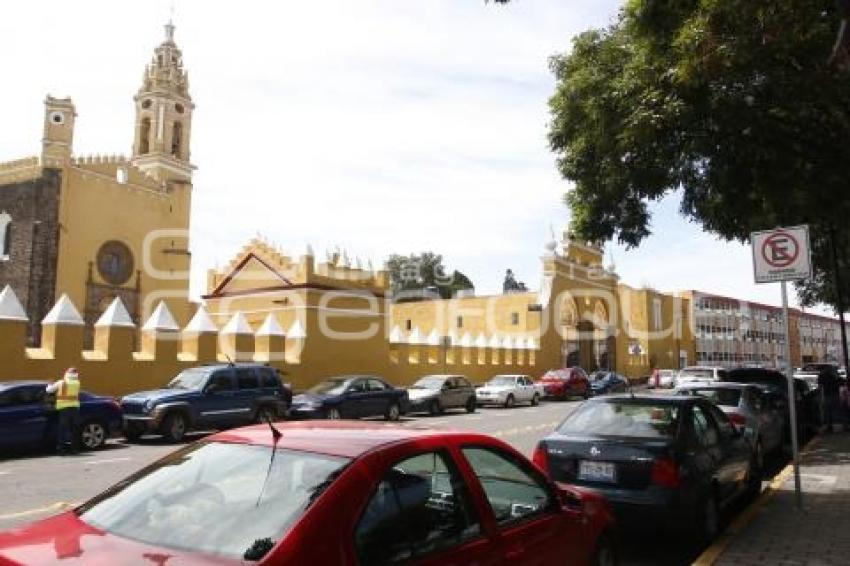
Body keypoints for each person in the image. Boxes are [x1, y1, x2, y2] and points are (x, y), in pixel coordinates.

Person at [46, 368, 81, 454]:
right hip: (74, 408)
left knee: (63, 430)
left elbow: (49, 390)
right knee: (73, 430)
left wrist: (49, 384)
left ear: (67, 374)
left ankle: (61, 449)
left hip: (64, 409)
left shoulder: (61, 382)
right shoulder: (77, 383)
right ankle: (74, 449)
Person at [817, 365, 842, 433]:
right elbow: (841, 382)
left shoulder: (822, 375)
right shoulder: (835, 374)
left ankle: (828, 426)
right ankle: (836, 427)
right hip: (835, 394)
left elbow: (819, 386)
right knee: (835, 410)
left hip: (827, 395)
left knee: (827, 411)